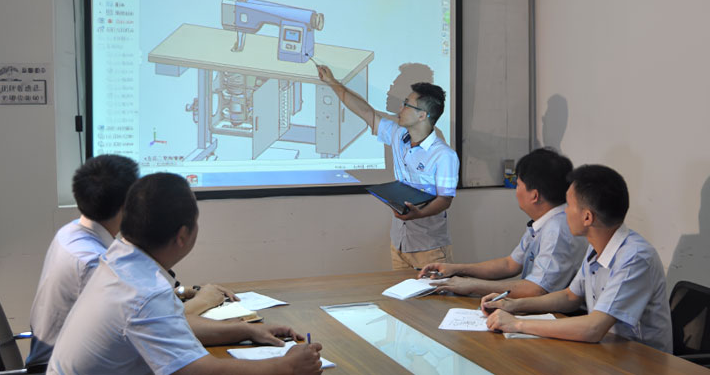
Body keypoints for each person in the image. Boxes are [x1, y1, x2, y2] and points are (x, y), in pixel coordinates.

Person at [48, 173, 323, 374]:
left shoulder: (118, 259)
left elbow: (171, 326)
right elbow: (197, 371)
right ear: (182, 235)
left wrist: (245, 330)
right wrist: (285, 366)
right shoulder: (144, 292)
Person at [482, 165, 672, 352]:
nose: (564, 211)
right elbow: (570, 296)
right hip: (606, 352)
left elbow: (594, 328)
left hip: (641, 360)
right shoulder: (597, 245)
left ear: (587, 217)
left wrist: (517, 324)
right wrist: (513, 305)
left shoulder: (635, 258)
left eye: (569, 205)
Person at [317, 65, 459, 269]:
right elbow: (366, 112)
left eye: (406, 104)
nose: (400, 108)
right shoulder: (398, 135)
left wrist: (418, 214)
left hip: (429, 247)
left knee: (434, 291)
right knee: (399, 291)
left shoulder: (444, 155)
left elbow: (445, 200)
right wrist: (332, 82)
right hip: (399, 242)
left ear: (422, 115)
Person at [418, 148, 585, 298]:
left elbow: (537, 289)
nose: (516, 191)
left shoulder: (556, 229)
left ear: (534, 196)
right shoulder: (545, 222)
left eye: (518, 185)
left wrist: (473, 285)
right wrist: (457, 269)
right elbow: (510, 264)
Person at [27, 154, 139, 366]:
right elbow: (135, 327)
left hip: (54, 355)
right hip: (61, 366)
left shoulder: (69, 232)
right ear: (127, 205)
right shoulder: (93, 264)